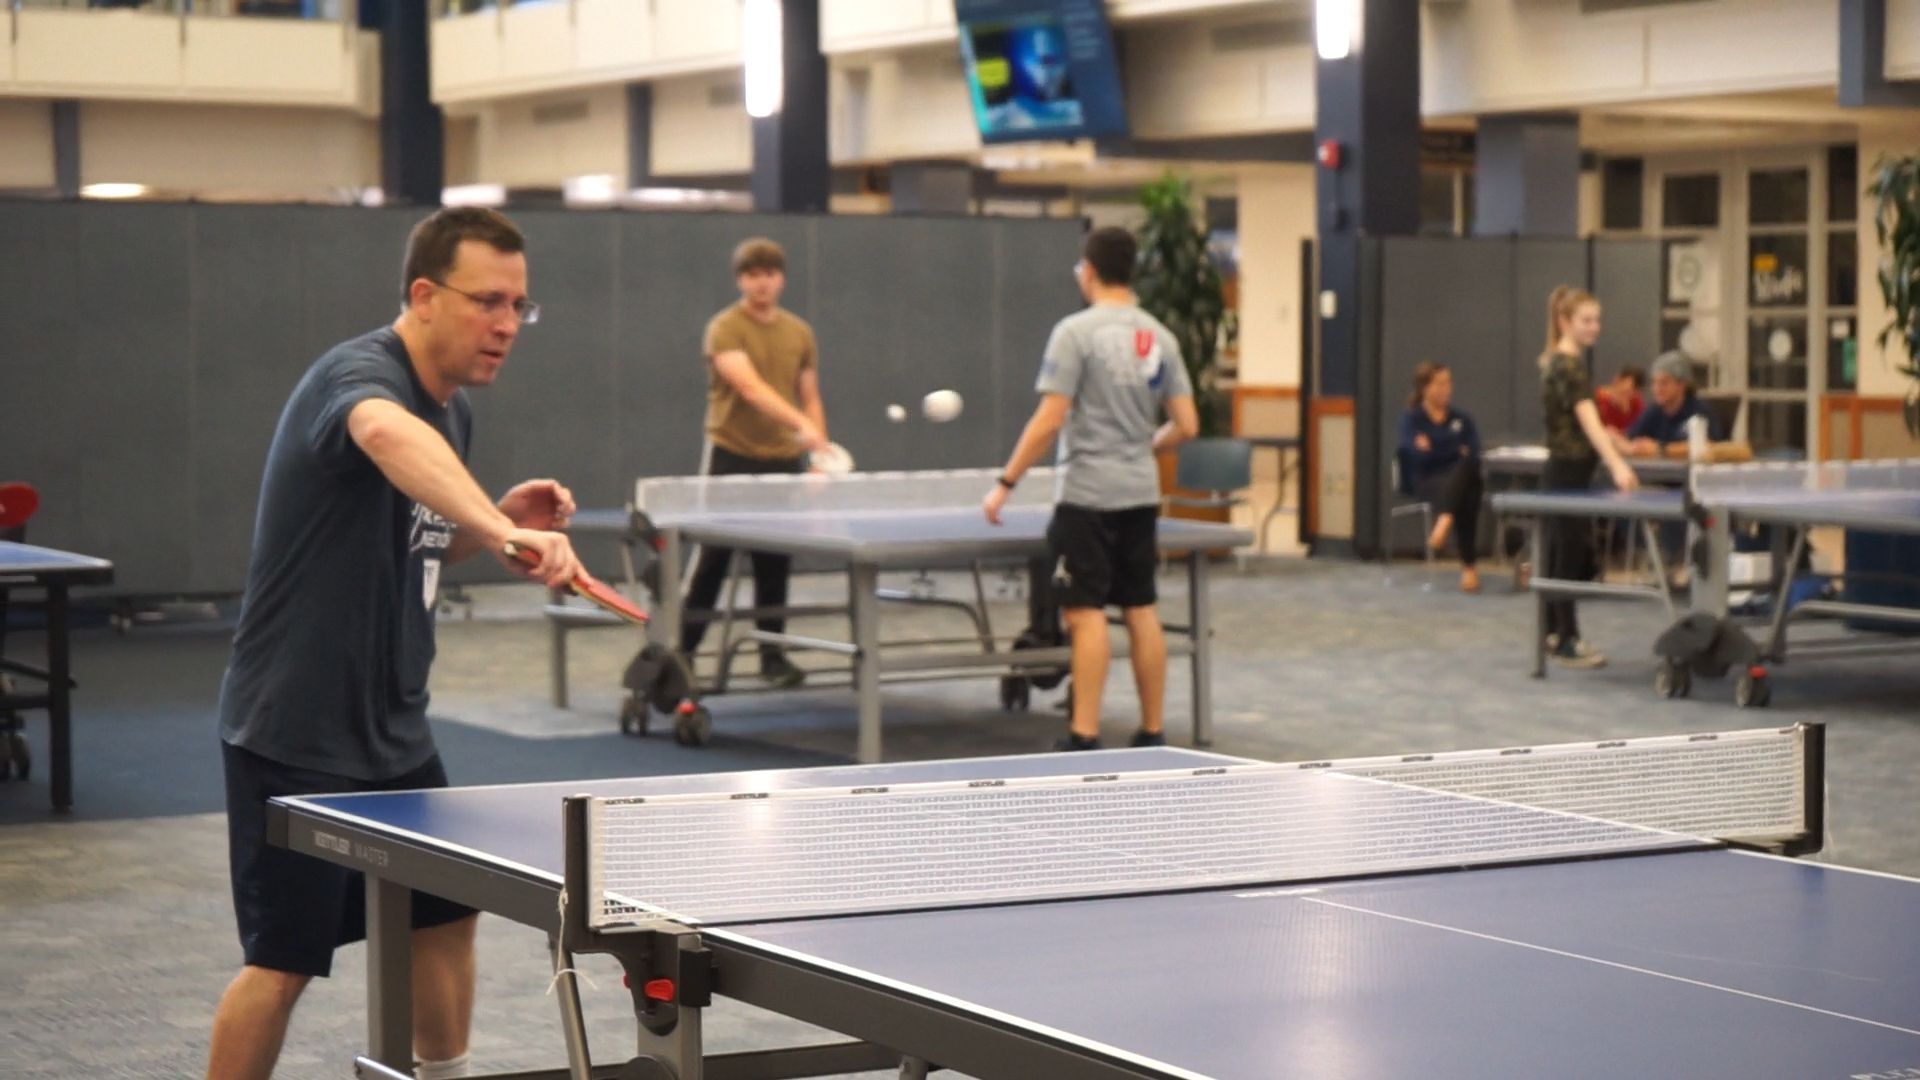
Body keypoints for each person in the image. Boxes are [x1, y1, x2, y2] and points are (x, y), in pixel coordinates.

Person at [208, 207, 585, 1080]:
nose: (505, 325)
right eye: (488, 300)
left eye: (520, 306)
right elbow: (380, 433)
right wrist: (495, 526)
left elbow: (414, 529)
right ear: (423, 295)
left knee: (444, 916)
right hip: (295, 731)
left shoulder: (451, 418)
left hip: (395, 733)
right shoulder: (360, 376)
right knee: (281, 964)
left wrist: (488, 525)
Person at [982, 225, 1197, 751]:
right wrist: (1147, 445)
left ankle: (1084, 733)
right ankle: (1151, 731)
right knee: (1141, 608)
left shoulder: (1075, 332)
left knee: (1085, 613)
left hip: (1087, 496)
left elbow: (1050, 418)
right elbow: (1187, 426)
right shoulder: (1159, 336)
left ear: (1091, 270)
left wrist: (1006, 483)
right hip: (1140, 493)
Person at [680, 237, 830, 689]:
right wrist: (804, 427)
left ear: (781, 279)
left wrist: (818, 453)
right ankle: (684, 653)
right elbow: (749, 387)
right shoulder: (724, 328)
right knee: (713, 561)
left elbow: (810, 394)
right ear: (740, 280)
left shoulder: (799, 332)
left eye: (769, 274)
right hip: (732, 456)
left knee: (774, 562)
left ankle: (772, 655)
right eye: (752, 275)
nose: (761, 282)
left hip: (783, 462)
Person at [1537, 285, 1639, 669]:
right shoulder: (1568, 366)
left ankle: (1553, 632)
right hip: (1566, 472)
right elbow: (1589, 423)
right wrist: (1617, 464)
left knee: (1561, 555)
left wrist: (1614, 442)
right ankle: (1566, 638)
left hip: (1570, 470)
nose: (1595, 327)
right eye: (1586, 320)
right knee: (1567, 558)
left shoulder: (1559, 362)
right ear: (1565, 322)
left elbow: (1589, 425)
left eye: (1597, 320)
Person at [1397, 362, 1484, 593]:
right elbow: (1416, 456)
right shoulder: (1412, 419)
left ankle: (1445, 517)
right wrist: (1454, 449)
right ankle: (1469, 569)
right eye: (1440, 383)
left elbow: (1474, 452)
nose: (1447, 388)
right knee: (1466, 489)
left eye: (1449, 383)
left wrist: (1435, 447)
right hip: (1427, 480)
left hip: (1459, 477)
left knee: (1468, 473)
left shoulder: (1462, 419)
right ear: (1425, 388)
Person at [1617, 350, 1724, 456]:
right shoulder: (1654, 411)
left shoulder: (1699, 411)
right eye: (1654, 382)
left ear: (1682, 385)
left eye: (1664, 383)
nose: (1656, 389)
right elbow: (1630, 438)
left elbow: (1710, 446)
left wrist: (1661, 449)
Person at [1594, 364, 1645, 433]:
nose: (1627, 397)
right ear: (1616, 380)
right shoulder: (1597, 399)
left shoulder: (1636, 402)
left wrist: (1626, 411)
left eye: (1632, 394)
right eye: (1625, 392)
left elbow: (1640, 428)